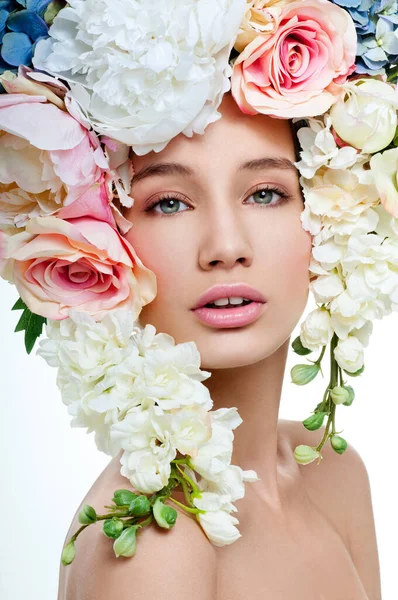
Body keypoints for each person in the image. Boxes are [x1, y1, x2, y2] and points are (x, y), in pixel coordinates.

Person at [56, 93, 381, 600]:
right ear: (106, 244)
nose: (226, 247)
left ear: (331, 213)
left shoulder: (335, 472)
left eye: (266, 194)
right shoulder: (153, 545)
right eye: (169, 203)